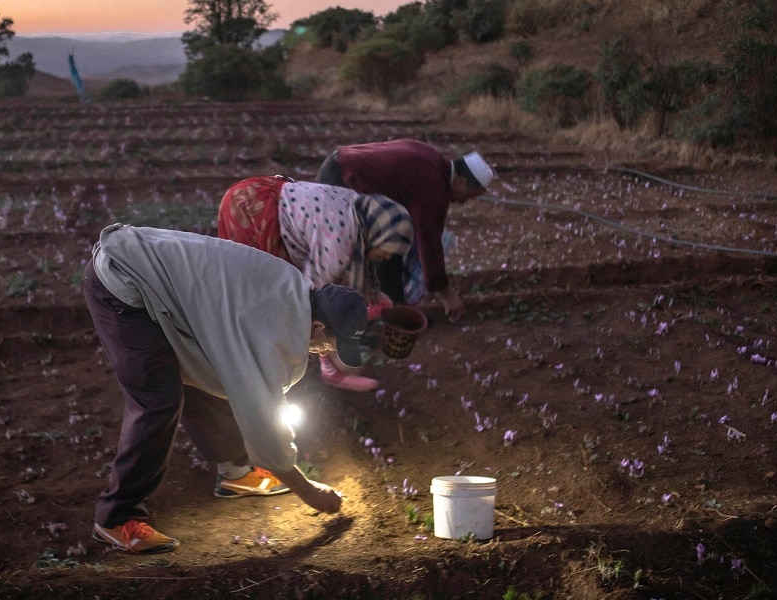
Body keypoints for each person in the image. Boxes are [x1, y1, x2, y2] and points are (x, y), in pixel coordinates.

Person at [83, 223, 365, 554]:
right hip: (121, 283)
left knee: (211, 372)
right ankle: (116, 518)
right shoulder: (268, 324)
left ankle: (235, 470)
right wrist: (309, 492)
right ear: (318, 326)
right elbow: (261, 418)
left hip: (150, 276)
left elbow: (241, 378)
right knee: (158, 400)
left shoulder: (290, 292)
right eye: (331, 344)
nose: (328, 352)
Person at [217, 175, 413, 392]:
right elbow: (310, 299)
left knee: (288, 291)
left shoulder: (359, 211)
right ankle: (261, 367)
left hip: (267, 194)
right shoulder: (339, 242)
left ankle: (282, 359)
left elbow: (350, 269)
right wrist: (336, 351)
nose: (386, 258)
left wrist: (374, 299)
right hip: (250, 207)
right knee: (262, 293)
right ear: (377, 233)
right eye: (387, 251)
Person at [315, 138, 494, 322]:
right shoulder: (433, 186)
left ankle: (390, 309)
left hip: (339, 164)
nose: (464, 202)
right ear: (461, 182)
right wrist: (447, 295)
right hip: (343, 180)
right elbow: (430, 243)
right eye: (469, 196)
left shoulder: (433, 159)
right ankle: (380, 316)